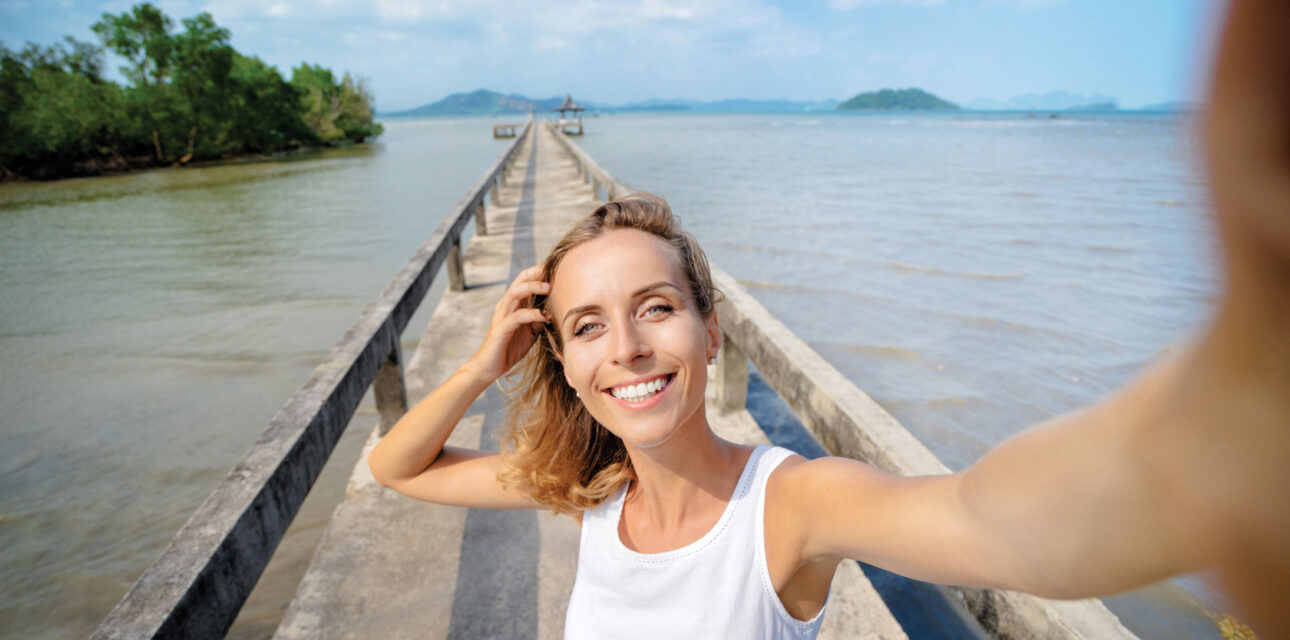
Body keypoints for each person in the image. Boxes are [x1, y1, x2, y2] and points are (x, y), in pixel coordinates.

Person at [368, 0, 1290, 636]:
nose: (631, 348)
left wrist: (1214, 421)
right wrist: (483, 364)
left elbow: (991, 524)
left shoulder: (792, 505)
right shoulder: (592, 489)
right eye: (589, 326)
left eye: (657, 308)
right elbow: (395, 466)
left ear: (711, 331)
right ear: (562, 359)